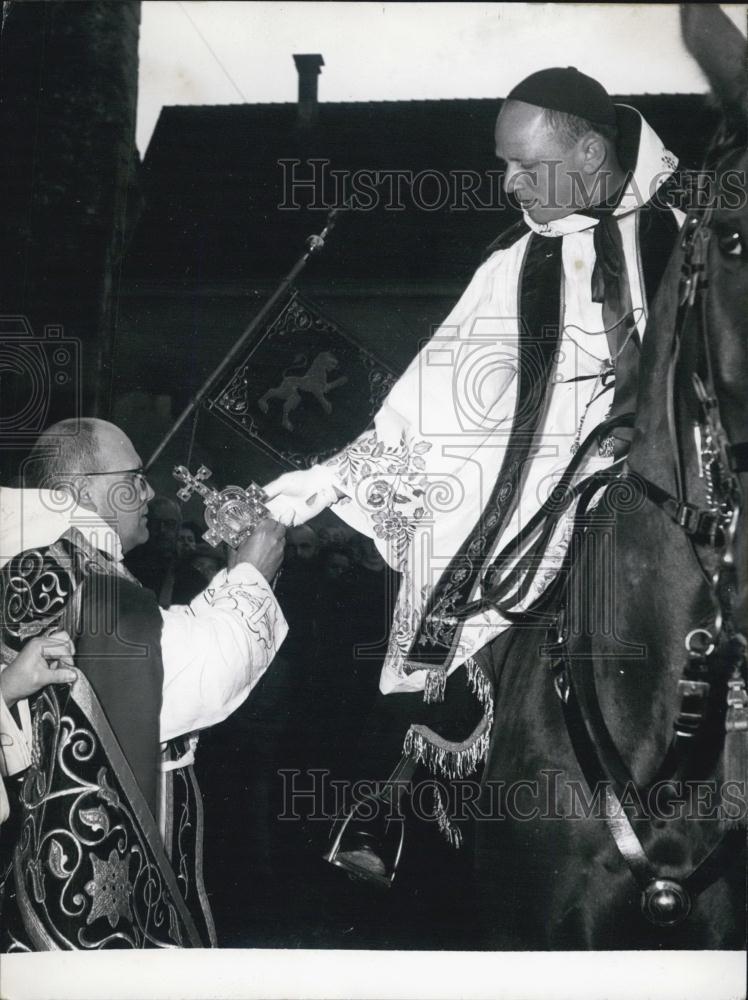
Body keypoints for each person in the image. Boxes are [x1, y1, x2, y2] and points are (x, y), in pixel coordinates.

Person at [263, 68, 685, 837]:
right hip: (546, 493)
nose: (509, 185)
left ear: (590, 151)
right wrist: (334, 475)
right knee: (474, 582)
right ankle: (423, 786)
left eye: (525, 166)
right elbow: (436, 404)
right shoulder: (510, 268)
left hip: (681, 482)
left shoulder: (692, 233)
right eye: (502, 165)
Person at [0, 418, 287, 949]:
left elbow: (153, 642)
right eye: (136, 474)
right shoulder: (65, 566)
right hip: (83, 863)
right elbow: (179, 677)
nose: (150, 493)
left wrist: (231, 579)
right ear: (82, 491)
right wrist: (251, 575)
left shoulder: (48, 559)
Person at [125, 495, 207, 606]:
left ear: (178, 528)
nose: (162, 530)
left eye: (169, 524)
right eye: (155, 523)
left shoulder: (192, 579)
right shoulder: (126, 563)